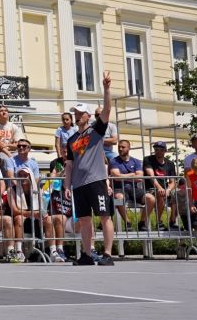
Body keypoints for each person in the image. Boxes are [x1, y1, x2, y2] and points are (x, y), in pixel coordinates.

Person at [63, 70, 116, 266]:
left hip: (96, 180)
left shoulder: (96, 129)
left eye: (79, 113)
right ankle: (86, 254)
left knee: (104, 216)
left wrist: (106, 88)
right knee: (84, 220)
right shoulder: (71, 140)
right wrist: (68, 186)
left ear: (87, 115)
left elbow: (107, 110)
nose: (76, 116)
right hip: (79, 184)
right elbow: (69, 165)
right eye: (74, 113)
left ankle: (108, 254)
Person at [108, 140, 145, 231]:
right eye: (119, 147)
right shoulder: (114, 161)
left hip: (134, 189)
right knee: (118, 198)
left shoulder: (136, 161)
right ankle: (128, 222)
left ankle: (142, 222)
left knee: (150, 198)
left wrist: (122, 176)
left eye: (123, 147)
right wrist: (132, 175)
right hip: (119, 188)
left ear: (129, 148)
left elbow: (140, 177)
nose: (120, 149)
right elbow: (116, 177)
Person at [143, 141, 180, 231]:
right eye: (156, 149)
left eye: (161, 149)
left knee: (180, 195)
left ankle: (172, 221)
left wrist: (168, 189)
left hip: (164, 189)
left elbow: (173, 181)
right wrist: (159, 188)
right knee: (160, 193)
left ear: (165, 151)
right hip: (150, 188)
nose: (158, 151)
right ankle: (158, 222)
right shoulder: (148, 159)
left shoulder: (170, 164)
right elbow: (151, 177)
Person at [41, 158, 71, 262]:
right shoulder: (53, 185)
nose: (64, 174)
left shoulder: (73, 185)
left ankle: (90, 251)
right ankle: (54, 251)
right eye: (63, 172)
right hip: (52, 216)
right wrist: (54, 176)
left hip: (70, 219)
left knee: (86, 219)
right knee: (56, 218)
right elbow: (44, 192)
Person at [0, 105, 22, 175]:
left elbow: (18, 144)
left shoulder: (14, 126)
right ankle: (8, 182)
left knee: (21, 158)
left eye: (6, 111)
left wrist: (7, 145)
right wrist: (8, 153)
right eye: (1, 111)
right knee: (6, 160)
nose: (4, 112)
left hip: (13, 152)